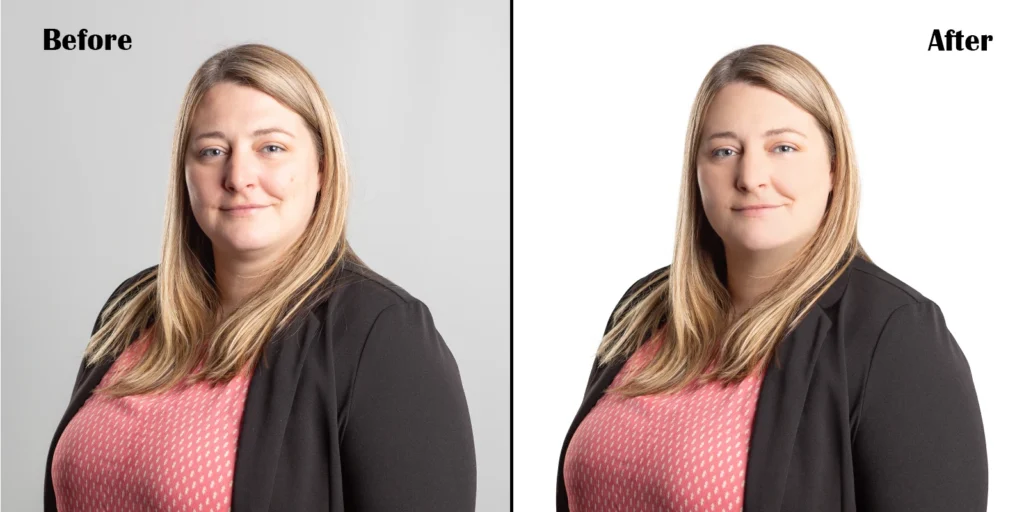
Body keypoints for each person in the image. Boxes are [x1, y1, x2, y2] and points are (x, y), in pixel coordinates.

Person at [44, 43, 476, 511]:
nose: (238, 175)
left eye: (271, 148)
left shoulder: (383, 334)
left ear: (321, 170)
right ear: (184, 174)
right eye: (212, 151)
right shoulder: (133, 309)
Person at [556, 44, 987, 511]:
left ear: (834, 168)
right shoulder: (646, 308)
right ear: (696, 173)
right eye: (724, 150)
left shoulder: (896, 334)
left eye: (783, 147)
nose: (751, 175)